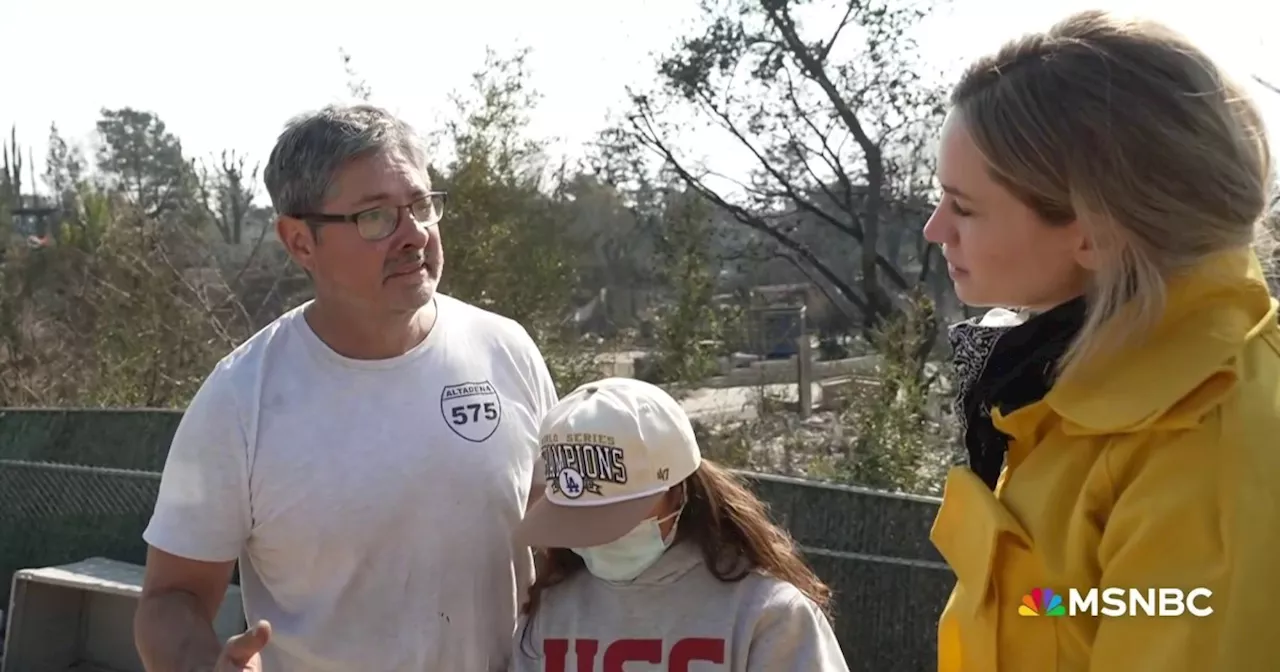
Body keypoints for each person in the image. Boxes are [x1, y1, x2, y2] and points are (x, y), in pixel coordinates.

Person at [133, 104, 558, 671]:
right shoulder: (239, 400)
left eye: (422, 205)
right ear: (299, 241)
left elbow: (562, 542)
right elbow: (170, 599)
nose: (413, 235)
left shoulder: (507, 351)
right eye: (375, 217)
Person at [923, 10, 1280, 672]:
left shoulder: (1204, 446)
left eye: (964, 207)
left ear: (1096, 230)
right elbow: (1067, 608)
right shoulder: (1086, 390)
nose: (935, 229)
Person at [509, 376, 849, 671]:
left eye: (609, 519)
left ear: (678, 489)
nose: (593, 539)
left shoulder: (766, 616)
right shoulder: (553, 612)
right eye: (576, 520)